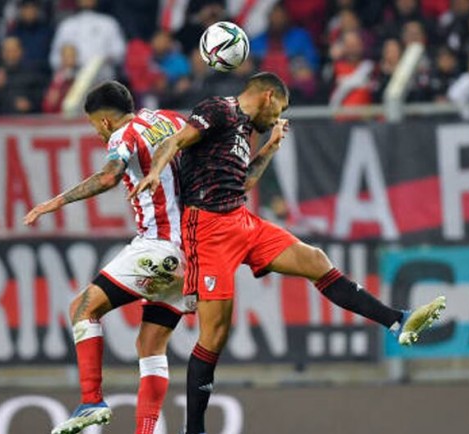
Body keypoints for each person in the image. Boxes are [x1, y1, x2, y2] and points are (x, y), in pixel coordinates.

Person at [130, 72, 447, 434]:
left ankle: (397, 321)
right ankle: (195, 429)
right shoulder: (218, 109)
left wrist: (269, 148)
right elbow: (175, 140)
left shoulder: (245, 131)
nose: (280, 115)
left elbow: (244, 181)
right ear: (268, 96)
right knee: (214, 334)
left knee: (315, 260)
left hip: (240, 219)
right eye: (282, 106)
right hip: (207, 229)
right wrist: (155, 172)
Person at [24, 81, 198, 434]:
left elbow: (109, 175)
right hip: (192, 255)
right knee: (150, 344)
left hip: (158, 245)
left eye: (94, 128)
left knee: (82, 308)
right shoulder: (170, 119)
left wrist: (56, 202)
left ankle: (91, 401)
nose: (99, 135)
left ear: (104, 121)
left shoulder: (123, 134)